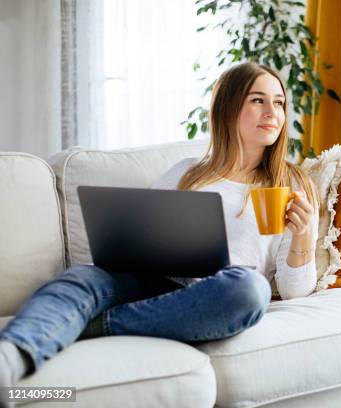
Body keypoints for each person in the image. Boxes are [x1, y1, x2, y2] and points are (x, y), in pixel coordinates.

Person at [0, 62, 319, 403]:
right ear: (229, 108)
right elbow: (142, 233)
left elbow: (294, 290)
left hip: (212, 296)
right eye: (258, 100)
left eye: (279, 102)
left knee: (250, 289)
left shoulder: (293, 184)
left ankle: (98, 324)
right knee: (81, 276)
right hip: (149, 281)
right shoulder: (188, 173)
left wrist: (303, 236)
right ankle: (10, 361)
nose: (272, 112)